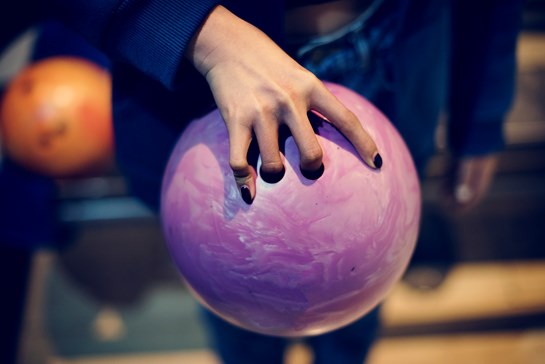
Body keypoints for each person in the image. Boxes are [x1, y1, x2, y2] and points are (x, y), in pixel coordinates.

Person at [1, 0, 522, 363]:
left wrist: (481, 108)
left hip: (393, 54)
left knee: (358, 299)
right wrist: (203, 34)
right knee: (240, 319)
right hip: (201, 84)